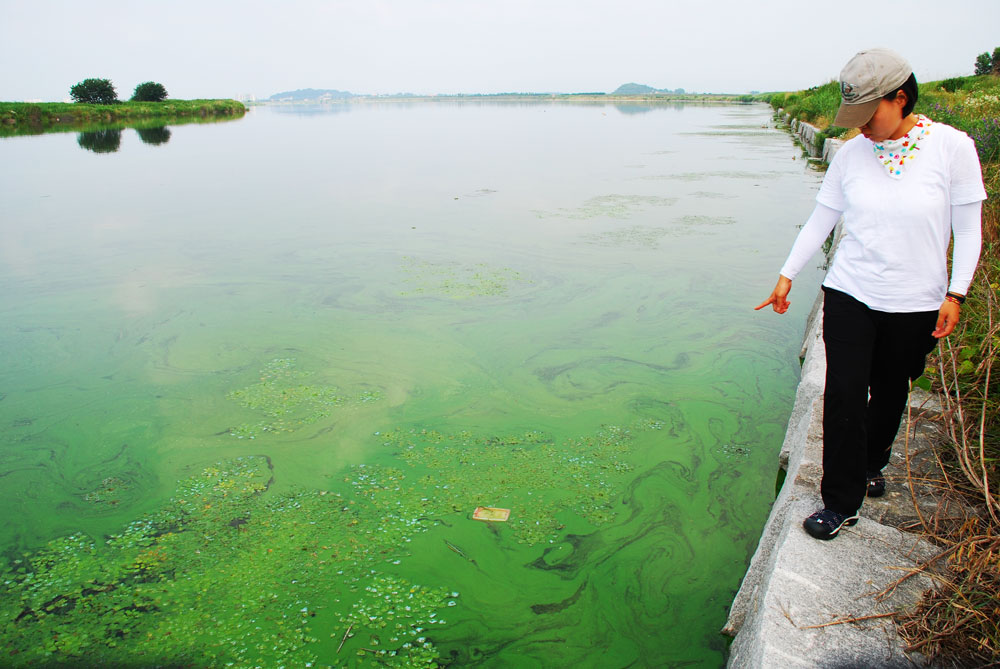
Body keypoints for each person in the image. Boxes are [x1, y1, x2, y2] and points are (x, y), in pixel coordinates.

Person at [756, 48, 986, 540]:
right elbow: (823, 218)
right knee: (841, 395)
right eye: (853, 117)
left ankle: (872, 461)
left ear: (899, 98)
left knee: (888, 394)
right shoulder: (852, 155)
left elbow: (968, 230)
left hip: (916, 302)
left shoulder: (953, 148)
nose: (860, 127)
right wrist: (787, 273)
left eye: (869, 115)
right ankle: (839, 503)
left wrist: (956, 294)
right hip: (850, 293)